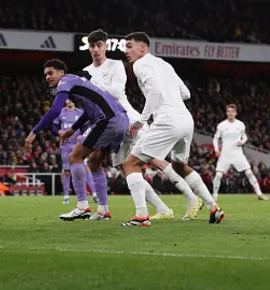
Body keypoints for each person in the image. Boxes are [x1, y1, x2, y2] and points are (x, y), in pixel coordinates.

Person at [84, 29, 195, 219]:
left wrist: (91, 83)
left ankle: (191, 197)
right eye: (92, 46)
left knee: (154, 160)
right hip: (111, 125)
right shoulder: (87, 71)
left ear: (105, 46)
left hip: (128, 119)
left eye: (99, 45)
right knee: (128, 169)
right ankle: (162, 209)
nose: (95, 49)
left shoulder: (116, 65)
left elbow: (118, 92)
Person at [122, 32, 224, 227]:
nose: (126, 51)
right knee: (179, 166)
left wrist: (141, 121)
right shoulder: (164, 64)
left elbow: (153, 91)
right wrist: (170, 97)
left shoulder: (140, 64)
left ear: (143, 48)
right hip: (186, 119)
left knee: (130, 164)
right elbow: (186, 93)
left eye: (129, 46)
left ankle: (141, 216)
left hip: (167, 120)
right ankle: (213, 207)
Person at [24, 59, 128, 222]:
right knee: (93, 162)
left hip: (108, 120)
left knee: (75, 157)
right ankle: (103, 210)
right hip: (120, 118)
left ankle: (82, 206)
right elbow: (89, 111)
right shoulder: (79, 84)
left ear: (61, 73)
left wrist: (34, 132)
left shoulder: (66, 81)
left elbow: (55, 110)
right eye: (45, 75)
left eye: (51, 73)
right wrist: (72, 129)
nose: (48, 77)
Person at [212, 104, 267, 201]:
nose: (230, 113)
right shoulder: (221, 125)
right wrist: (216, 149)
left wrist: (242, 141)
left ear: (236, 113)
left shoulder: (240, 124)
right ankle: (214, 195)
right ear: (226, 113)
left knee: (249, 173)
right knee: (219, 175)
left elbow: (245, 137)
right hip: (225, 153)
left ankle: (259, 194)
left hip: (237, 153)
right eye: (229, 111)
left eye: (232, 111)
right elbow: (215, 138)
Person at [52, 99, 82, 205]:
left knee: (80, 170)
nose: (69, 101)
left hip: (78, 144)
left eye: (71, 99)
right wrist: (58, 131)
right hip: (65, 145)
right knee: (66, 170)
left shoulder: (80, 113)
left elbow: (88, 126)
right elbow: (53, 126)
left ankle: (82, 195)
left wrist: (82, 135)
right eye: (67, 99)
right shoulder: (61, 112)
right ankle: (66, 196)